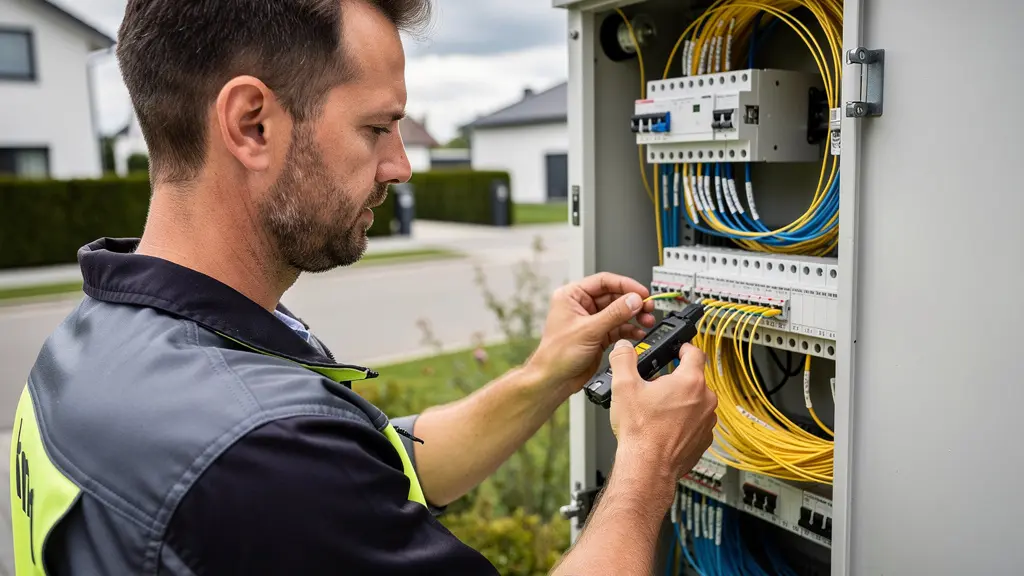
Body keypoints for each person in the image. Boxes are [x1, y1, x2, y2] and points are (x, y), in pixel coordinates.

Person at [8, 0, 718, 574]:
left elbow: (377, 464)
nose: (401, 166)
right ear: (251, 124)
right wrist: (648, 466)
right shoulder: (256, 450)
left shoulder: (87, 346)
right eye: (376, 128)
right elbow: (302, 477)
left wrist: (543, 376)